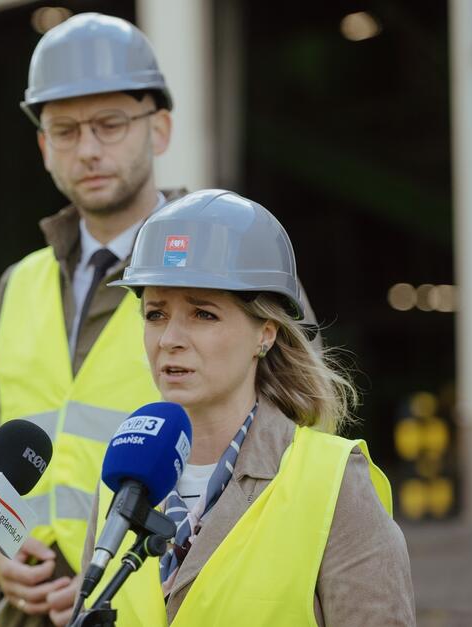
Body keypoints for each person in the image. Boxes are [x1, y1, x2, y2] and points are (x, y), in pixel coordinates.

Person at [78, 189, 415, 626]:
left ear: (266, 334)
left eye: (203, 314)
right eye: (156, 314)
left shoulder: (333, 483)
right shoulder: (120, 480)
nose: (169, 339)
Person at [0, 13, 178, 627]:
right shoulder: (20, 284)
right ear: (43, 146)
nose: (88, 148)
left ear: (159, 129)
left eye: (110, 124)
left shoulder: (224, 266)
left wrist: (122, 575)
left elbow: (273, 463)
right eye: (64, 129)